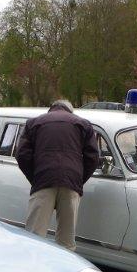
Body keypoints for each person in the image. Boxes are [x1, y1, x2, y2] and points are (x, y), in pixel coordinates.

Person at [16, 100, 99, 250]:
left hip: (43, 179)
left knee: (35, 235)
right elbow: (92, 158)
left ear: (51, 109)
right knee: (66, 239)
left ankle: (33, 262)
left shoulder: (33, 123)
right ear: (70, 111)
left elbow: (22, 155)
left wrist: (35, 178)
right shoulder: (83, 124)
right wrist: (78, 179)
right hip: (71, 182)